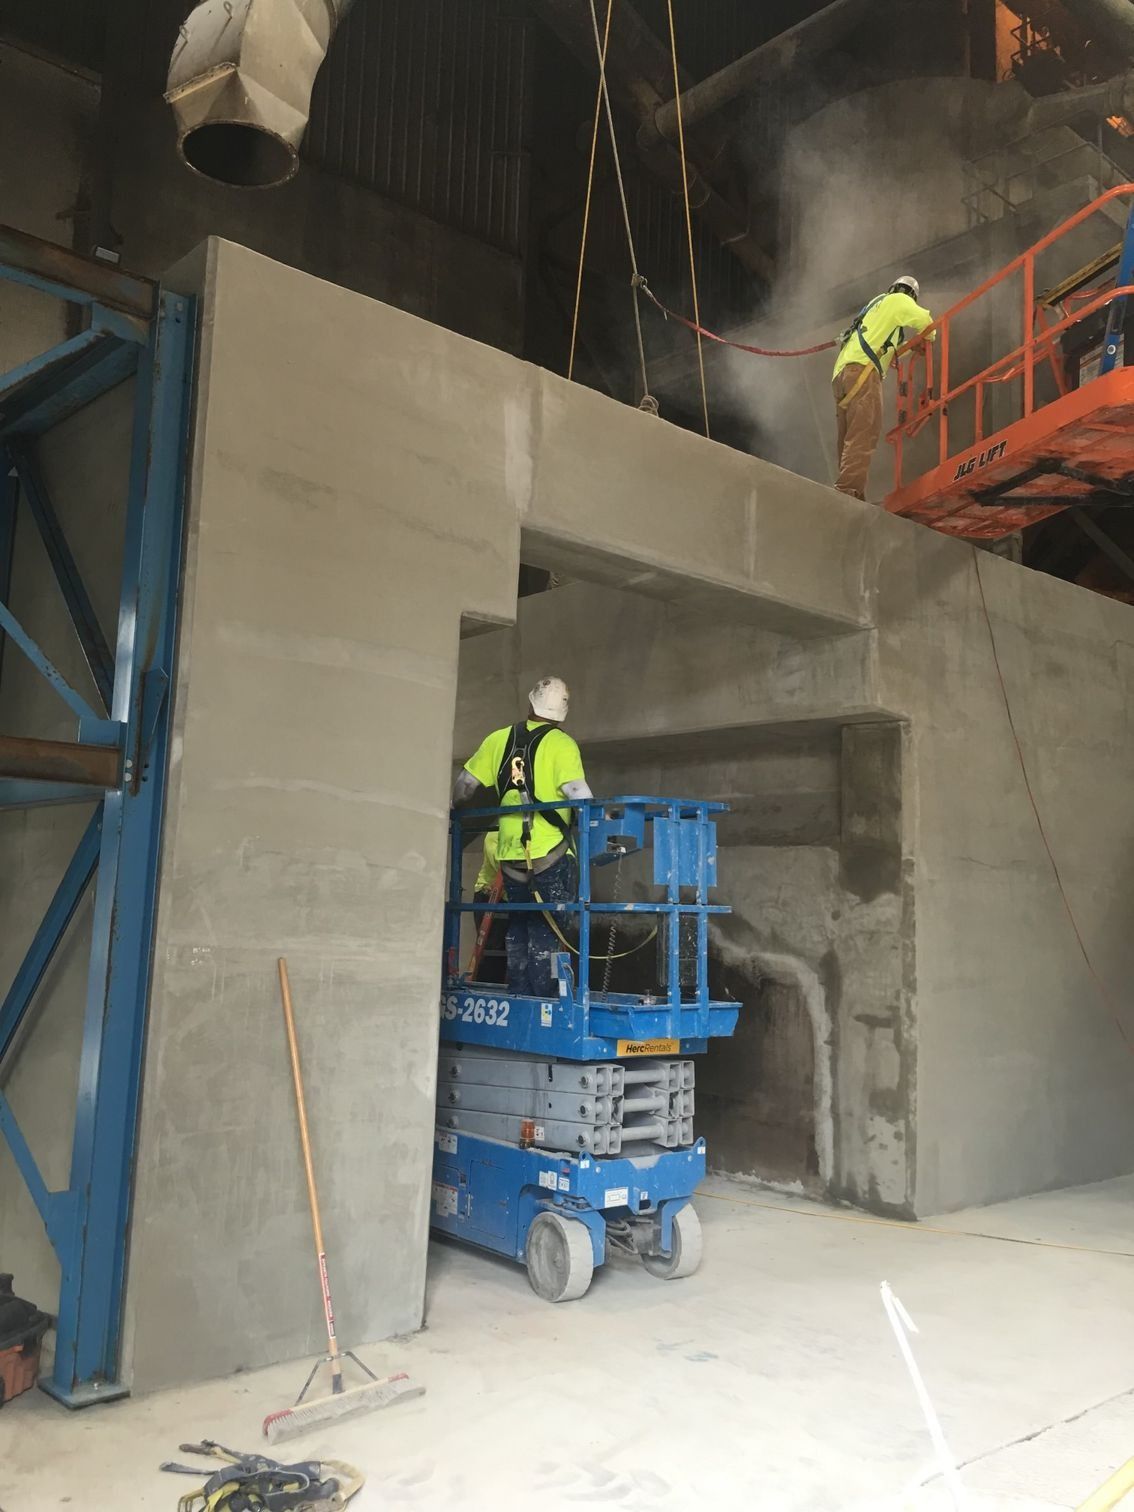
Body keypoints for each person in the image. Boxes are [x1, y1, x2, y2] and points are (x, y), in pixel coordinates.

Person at [452, 677, 592, 997]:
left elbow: (465, 785)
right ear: (562, 712)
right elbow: (577, 792)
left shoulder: (498, 739)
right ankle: (545, 1002)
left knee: (518, 924)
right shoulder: (562, 744)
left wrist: (452, 808)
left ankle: (520, 996)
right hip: (549, 852)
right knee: (550, 926)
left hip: (510, 851)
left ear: (531, 704)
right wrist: (600, 818)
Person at [832, 274, 936, 501]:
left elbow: (889, 352)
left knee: (850, 434)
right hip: (862, 372)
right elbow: (926, 321)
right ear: (910, 294)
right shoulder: (898, 300)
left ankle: (850, 489)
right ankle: (847, 491)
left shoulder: (874, 308)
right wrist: (929, 338)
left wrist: (911, 348)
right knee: (865, 430)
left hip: (842, 375)